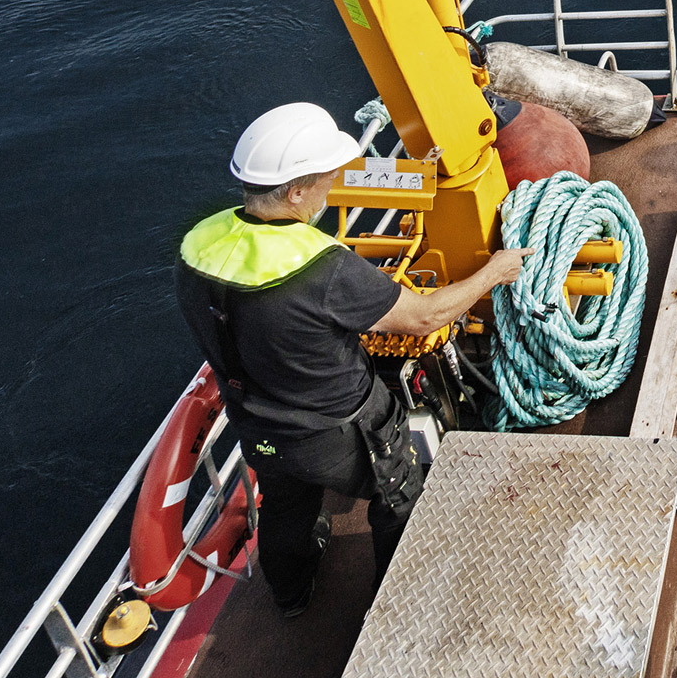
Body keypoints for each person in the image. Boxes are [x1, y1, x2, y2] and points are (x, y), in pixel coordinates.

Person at [174, 102, 531, 617]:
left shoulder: (195, 249)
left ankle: (291, 598)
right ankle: (392, 610)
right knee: (401, 493)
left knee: (287, 506)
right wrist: (493, 272)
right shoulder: (327, 272)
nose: (332, 186)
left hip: (257, 424)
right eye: (325, 180)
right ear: (296, 193)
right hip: (339, 432)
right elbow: (426, 317)